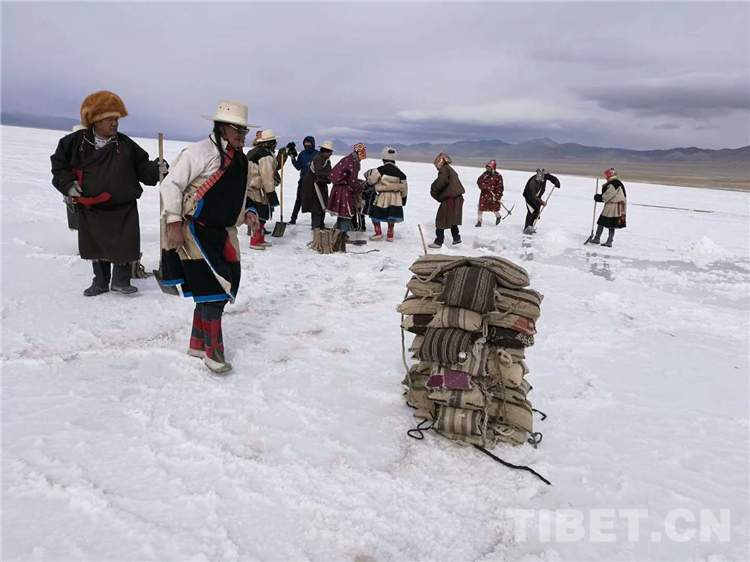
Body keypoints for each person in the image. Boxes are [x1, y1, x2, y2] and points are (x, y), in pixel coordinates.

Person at [158, 100, 259, 374]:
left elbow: (235, 195)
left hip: (224, 234)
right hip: (196, 232)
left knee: (215, 290)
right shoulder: (200, 153)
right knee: (214, 292)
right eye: (236, 128)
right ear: (222, 127)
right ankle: (214, 353)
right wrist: (174, 224)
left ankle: (197, 343)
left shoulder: (241, 160)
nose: (241, 134)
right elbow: (171, 186)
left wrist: (246, 213)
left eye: (244, 130)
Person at [50, 90, 164, 296]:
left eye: (116, 119)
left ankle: (120, 281)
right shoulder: (74, 142)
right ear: (95, 120)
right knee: (96, 245)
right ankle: (100, 282)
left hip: (123, 206)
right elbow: (59, 167)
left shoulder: (125, 144)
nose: (115, 123)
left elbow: (142, 168)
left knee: (123, 244)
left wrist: (156, 169)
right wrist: (68, 184)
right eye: (109, 119)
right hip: (91, 207)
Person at [246, 130, 281, 250]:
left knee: (261, 216)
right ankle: (254, 241)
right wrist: (271, 194)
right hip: (258, 190)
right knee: (259, 216)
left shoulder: (253, 151)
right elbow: (267, 176)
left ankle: (260, 239)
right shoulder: (265, 155)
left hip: (251, 189)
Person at [365, 147, 408, 242]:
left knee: (374, 214)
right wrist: (403, 200)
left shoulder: (380, 170)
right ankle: (390, 235)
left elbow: (371, 181)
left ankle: (378, 233)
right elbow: (405, 189)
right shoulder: (401, 173)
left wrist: (368, 182)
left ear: (383, 159)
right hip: (396, 198)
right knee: (391, 215)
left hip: (383, 196)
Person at [327, 142, 366, 234]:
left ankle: (338, 233)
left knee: (341, 213)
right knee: (346, 213)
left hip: (337, 189)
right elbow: (353, 181)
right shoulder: (353, 162)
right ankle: (342, 235)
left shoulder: (347, 159)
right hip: (344, 190)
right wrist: (360, 189)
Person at [428, 153, 465, 248]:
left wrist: (434, 189)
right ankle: (456, 237)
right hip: (456, 198)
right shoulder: (450, 170)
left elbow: (441, 182)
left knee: (441, 218)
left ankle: (438, 241)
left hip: (450, 199)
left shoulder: (444, 170)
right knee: (452, 219)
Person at [300, 141, 334, 230]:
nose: (331, 154)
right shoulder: (318, 159)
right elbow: (318, 172)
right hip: (313, 186)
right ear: (326, 152)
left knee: (322, 205)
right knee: (316, 206)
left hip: (320, 184)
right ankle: (316, 226)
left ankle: (321, 224)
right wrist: (329, 175)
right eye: (330, 152)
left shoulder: (325, 160)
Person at [592, 167, 627, 247]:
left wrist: (599, 197)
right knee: (610, 223)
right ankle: (606, 240)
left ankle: (600, 239)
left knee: (604, 222)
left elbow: (608, 196)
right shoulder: (616, 182)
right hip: (616, 206)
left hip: (613, 206)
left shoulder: (613, 184)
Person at [289, 136, 318, 225]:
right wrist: (293, 158)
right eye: (305, 143)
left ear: (312, 144)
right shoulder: (302, 154)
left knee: (314, 201)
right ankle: (293, 219)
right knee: (299, 200)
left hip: (313, 182)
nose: (307, 145)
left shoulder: (317, 154)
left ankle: (315, 222)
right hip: (303, 181)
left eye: (308, 143)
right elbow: (298, 167)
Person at [523, 168, 560, 234]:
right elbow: (533, 196)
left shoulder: (544, 176)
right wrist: (541, 202)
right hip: (529, 196)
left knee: (537, 211)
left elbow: (551, 177)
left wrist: (556, 181)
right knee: (531, 210)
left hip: (537, 196)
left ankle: (531, 226)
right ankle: (527, 228)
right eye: (538, 181)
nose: (540, 182)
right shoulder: (532, 183)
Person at [476, 159, 504, 227]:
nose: (488, 168)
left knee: (493, 208)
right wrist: (483, 186)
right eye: (487, 167)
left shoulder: (498, 176)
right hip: (484, 194)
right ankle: (479, 221)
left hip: (492, 195)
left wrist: (498, 195)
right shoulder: (484, 174)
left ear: (493, 168)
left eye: (490, 167)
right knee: (480, 207)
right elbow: (479, 181)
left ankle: (498, 216)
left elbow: (500, 186)